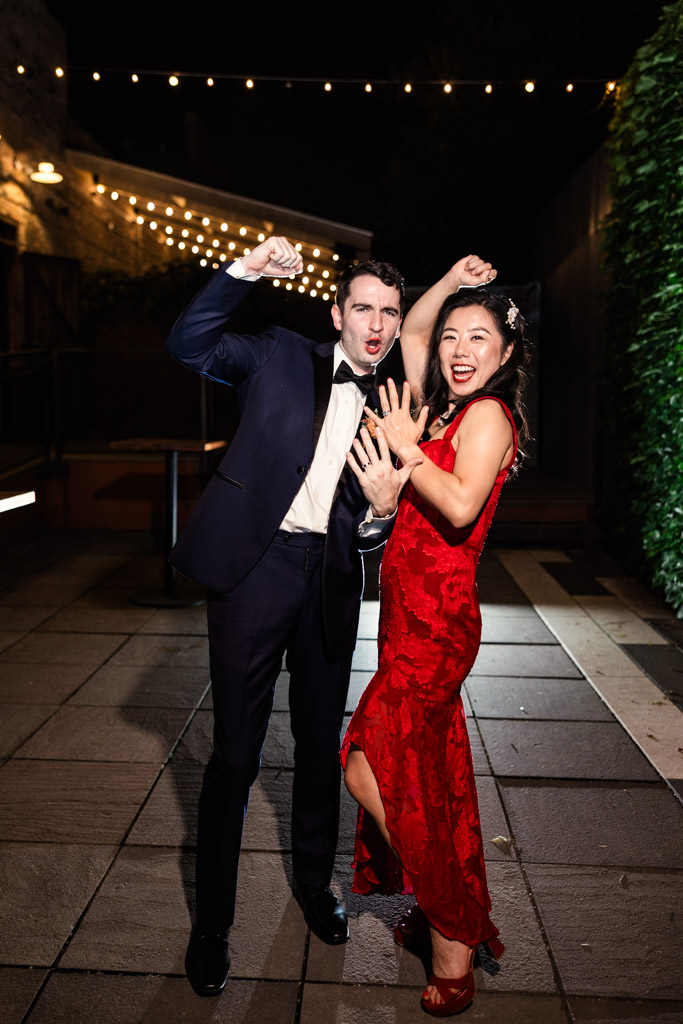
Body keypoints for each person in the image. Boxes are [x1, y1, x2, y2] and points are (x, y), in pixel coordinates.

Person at [165, 236, 495, 998]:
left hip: (331, 579)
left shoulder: (402, 402)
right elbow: (188, 343)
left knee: (319, 746)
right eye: (364, 309)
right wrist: (243, 269)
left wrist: (380, 518)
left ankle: (315, 886)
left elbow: (383, 513)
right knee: (237, 757)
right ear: (337, 311)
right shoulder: (278, 354)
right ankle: (212, 926)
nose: (377, 325)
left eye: (388, 312)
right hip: (255, 570)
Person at [342, 260, 529, 1018]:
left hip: (438, 621)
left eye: (477, 337)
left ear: (505, 353)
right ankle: (449, 909)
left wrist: (403, 449)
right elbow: (414, 328)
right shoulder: (448, 409)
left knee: (364, 765)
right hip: (405, 612)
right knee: (427, 777)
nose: (456, 346)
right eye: (454, 335)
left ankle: (451, 922)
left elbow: (456, 506)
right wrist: (450, 278)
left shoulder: (486, 417)